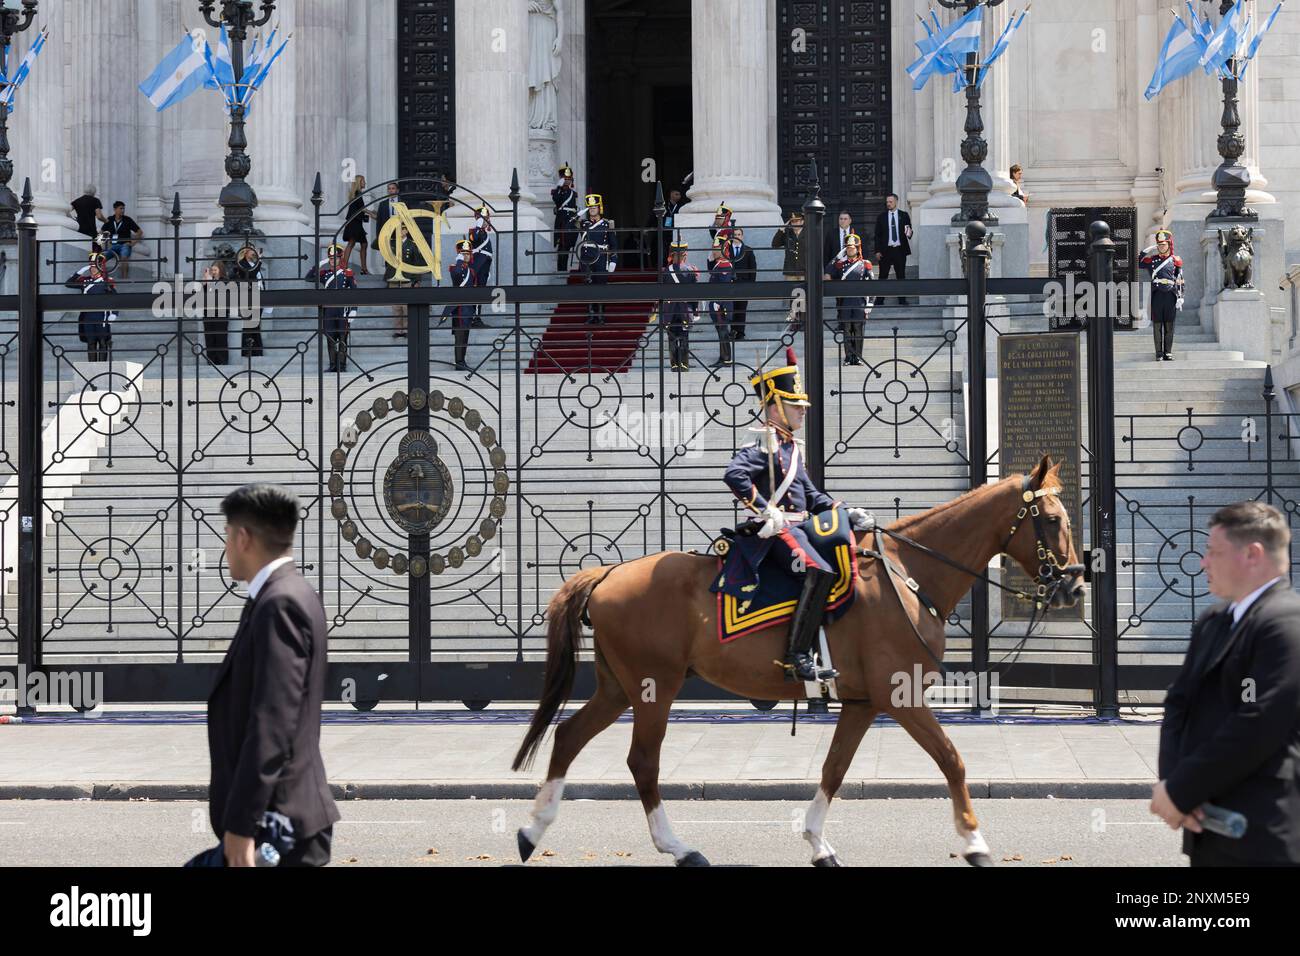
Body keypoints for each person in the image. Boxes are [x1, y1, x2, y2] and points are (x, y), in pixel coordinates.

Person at [1152, 501, 1300, 866]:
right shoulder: (1214, 620)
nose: (1203, 562)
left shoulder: (1285, 622)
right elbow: (1178, 704)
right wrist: (1174, 788)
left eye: (1214, 552)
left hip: (1263, 831)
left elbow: (1259, 722)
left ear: (1252, 554)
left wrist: (1184, 790)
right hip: (1207, 825)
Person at [207, 484, 340, 867]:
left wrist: (242, 826)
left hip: (279, 828)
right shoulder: (286, 594)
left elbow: (272, 723)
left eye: (228, 537)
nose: (226, 548)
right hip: (280, 822)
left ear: (244, 538)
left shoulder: (280, 603)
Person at [724, 347, 869, 681]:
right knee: (818, 572)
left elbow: (812, 495)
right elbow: (734, 475)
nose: (803, 412)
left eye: (803, 407)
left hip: (798, 529)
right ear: (775, 408)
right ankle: (796, 657)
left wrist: (846, 512)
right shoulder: (763, 443)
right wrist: (765, 509)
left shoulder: (789, 445)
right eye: (796, 406)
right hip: (773, 532)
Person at [826, 234, 872, 366]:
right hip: (844, 302)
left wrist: (869, 306)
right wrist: (837, 257)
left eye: (853, 247)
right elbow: (827, 273)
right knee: (846, 330)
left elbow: (872, 287)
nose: (850, 250)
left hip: (859, 302)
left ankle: (857, 357)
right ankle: (848, 357)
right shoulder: (840, 265)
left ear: (858, 248)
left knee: (858, 330)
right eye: (848, 248)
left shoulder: (865, 264)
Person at [1139, 229, 1184, 362]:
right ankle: (1159, 353)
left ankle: (1168, 352)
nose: (1161, 247)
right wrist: (1147, 249)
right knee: (1158, 325)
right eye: (1159, 244)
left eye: (1163, 244)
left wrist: (1181, 296)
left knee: (1169, 325)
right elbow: (1137, 262)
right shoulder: (1151, 260)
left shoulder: (1176, 261)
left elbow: (1180, 279)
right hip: (1157, 294)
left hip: (1170, 294)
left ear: (1169, 245)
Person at [576, 193, 615, 325]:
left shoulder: (607, 224)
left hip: (601, 257)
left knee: (601, 287)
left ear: (600, 208)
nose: (592, 209)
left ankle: (601, 315)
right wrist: (578, 214)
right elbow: (570, 224)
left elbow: (613, 244)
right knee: (588, 287)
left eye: (594, 207)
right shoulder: (584, 223)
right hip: (586, 258)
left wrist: (613, 260)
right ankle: (591, 315)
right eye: (590, 207)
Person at [661, 239, 698, 372]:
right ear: (684, 255)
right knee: (684, 337)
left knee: (671, 337)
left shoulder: (665, 272)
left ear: (673, 255)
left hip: (669, 310)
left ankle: (675, 364)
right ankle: (684, 364)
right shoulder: (690, 271)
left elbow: (661, 293)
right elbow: (694, 294)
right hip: (684, 309)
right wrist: (695, 310)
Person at [72, 252, 116, 362]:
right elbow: (68, 283)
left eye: (95, 267)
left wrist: (114, 313)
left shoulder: (107, 281)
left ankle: (103, 367)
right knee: (90, 343)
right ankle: (92, 368)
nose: (93, 269)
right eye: (91, 267)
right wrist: (79, 273)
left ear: (101, 267)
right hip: (88, 317)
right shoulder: (85, 281)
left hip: (102, 316)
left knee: (102, 342)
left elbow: (115, 299)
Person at [321, 243, 357, 373]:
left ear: (340, 258)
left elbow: (354, 293)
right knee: (330, 338)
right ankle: (332, 365)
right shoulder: (324, 274)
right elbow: (308, 277)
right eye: (330, 258)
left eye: (335, 258)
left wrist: (354, 310)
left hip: (342, 310)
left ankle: (342, 365)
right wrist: (320, 263)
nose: (332, 261)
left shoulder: (347, 273)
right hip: (329, 311)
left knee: (342, 338)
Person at [873, 193, 912, 305]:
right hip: (886, 251)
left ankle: (902, 300)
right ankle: (880, 300)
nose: (888, 204)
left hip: (899, 250)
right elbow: (877, 235)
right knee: (882, 276)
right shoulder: (882, 217)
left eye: (890, 202)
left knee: (901, 275)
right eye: (887, 202)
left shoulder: (903, 215)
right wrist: (877, 251)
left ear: (896, 202)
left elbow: (909, 233)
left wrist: (909, 232)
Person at [447, 238, 478, 371]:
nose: (466, 256)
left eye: (468, 253)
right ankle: (459, 362)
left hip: (468, 309)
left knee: (465, 336)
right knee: (460, 337)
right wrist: (459, 261)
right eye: (463, 253)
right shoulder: (454, 268)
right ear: (459, 254)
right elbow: (458, 275)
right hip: (459, 309)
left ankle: (462, 360)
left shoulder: (472, 271)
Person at [771, 211, 806, 330]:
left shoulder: (808, 233)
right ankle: (795, 323)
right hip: (791, 271)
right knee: (793, 297)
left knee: (803, 297)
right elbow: (774, 244)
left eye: (797, 221)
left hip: (804, 271)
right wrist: (781, 229)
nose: (795, 224)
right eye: (792, 222)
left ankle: (803, 322)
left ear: (802, 221)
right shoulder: (787, 233)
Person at [232, 244, 266, 358]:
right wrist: (259, 261)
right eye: (252, 249)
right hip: (249, 297)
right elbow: (250, 274)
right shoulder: (241, 263)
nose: (254, 251)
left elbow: (259, 279)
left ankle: (257, 351)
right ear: (245, 252)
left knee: (255, 324)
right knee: (249, 324)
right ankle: (249, 350)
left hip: (258, 295)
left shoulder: (253, 263)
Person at [706, 235, 735, 366]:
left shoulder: (724, 265)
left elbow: (724, 288)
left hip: (720, 306)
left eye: (717, 249)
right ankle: (724, 357)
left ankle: (726, 358)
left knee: (723, 332)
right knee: (721, 332)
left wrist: (719, 303)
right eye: (714, 249)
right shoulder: (719, 263)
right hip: (718, 305)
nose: (714, 251)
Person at [727, 227, 757, 342]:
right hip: (729, 284)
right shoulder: (727, 250)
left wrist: (751, 285)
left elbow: (753, 268)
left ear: (742, 236)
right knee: (730, 308)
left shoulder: (748, 250)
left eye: (739, 234)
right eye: (735, 234)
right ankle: (732, 330)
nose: (737, 236)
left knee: (741, 308)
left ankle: (740, 332)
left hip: (744, 284)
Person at [468, 205, 494, 328]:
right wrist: (478, 224)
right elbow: (474, 239)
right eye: (484, 219)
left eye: (487, 219)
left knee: (481, 291)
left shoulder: (483, 232)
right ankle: (473, 317)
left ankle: (477, 317)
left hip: (483, 266)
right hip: (477, 266)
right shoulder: (474, 232)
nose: (486, 221)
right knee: (476, 291)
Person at [102, 201, 143, 279]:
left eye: (123, 208)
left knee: (124, 258)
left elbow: (139, 232)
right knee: (101, 259)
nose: (123, 210)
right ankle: (102, 278)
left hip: (124, 244)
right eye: (121, 208)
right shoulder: (109, 219)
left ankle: (124, 279)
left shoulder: (128, 220)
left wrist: (132, 243)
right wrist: (104, 242)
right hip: (113, 245)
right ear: (115, 209)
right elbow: (103, 232)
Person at [551, 164, 580, 273]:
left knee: (568, 246)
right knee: (562, 247)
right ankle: (561, 270)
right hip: (562, 222)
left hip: (571, 222)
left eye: (569, 179)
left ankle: (565, 269)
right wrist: (558, 187)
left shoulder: (573, 193)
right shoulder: (558, 192)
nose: (568, 181)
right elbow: (556, 201)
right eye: (565, 179)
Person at [202, 260, 231, 368]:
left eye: (215, 270)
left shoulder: (225, 281)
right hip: (208, 312)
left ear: (220, 270)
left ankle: (222, 360)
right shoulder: (210, 280)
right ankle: (211, 361)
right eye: (212, 270)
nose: (213, 272)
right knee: (209, 337)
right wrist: (205, 283)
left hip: (220, 313)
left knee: (220, 337)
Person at [341, 174, 371, 275]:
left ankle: (363, 268)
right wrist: (373, 215)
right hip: (354, 223)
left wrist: (370, 214)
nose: (365, 182)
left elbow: (360, 209)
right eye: (363, 181)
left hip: (355, 222)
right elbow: (363, 208)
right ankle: (345, 267)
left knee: (362, 244)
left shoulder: (356, 193)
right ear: (359, 182)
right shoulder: (358, 193)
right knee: (353, 243)